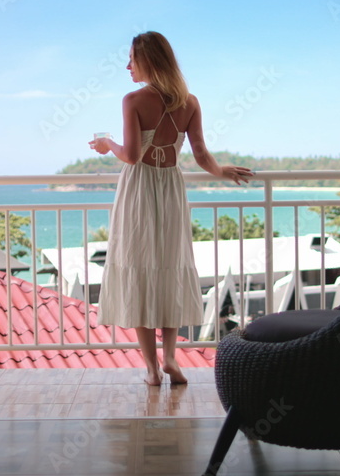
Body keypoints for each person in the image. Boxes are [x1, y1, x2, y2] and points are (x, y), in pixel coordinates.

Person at [89, 31, 253, 385]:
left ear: (148, 60)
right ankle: (171, 358)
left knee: (139, 267)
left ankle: (150, 368)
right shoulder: (189, 102)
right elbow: (201, 155)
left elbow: (132, 156)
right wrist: (223, 171)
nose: (127, 65)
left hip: (139, 189)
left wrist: (107, 143)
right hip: (171, 189)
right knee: (170, 266)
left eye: (132, 58)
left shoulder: (132, 100)